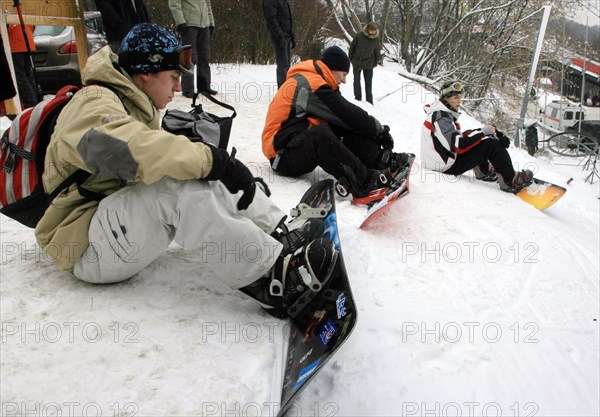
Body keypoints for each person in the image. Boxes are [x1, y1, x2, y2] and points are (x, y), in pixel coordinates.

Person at [35, 23, 330, 318]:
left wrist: (215, 166)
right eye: (173, 77)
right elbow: (132, 151)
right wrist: (213, 160)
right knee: (177, 184)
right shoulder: (92, 103)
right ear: (145, 73)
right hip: (84, 244)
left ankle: (279, 231)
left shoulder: (128, 101)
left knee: (195, 170)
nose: (178, 88)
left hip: (111, 227)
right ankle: (275, 282)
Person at [261, 45, 409, 199]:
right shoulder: (309, 84)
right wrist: (379, 130)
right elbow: (346, 112)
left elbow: (345, 119)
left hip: (297, 142)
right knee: (322, 134)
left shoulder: (316, 81)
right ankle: (364, 182)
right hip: (281, 156)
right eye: (343, 74)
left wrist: (376, 131)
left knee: (341, 125)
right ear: (332, 69)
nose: (344, 80)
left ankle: (380, 160)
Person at [421, 80, 533, 192]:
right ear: (445, 98)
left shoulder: (442, 114)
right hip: (444, 166)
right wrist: (483, 131)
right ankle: (510, 181)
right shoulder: (441, 117)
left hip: (442, 161)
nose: (459, 101)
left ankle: (483, 170)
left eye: (460, 97)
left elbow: (457, 139)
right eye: (455, 98)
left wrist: (487, 130)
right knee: (491, 144)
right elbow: (457, 145)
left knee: (479, 139)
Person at [168, 0, 217, 97]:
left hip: (204, 25)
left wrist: (211, 22)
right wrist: (180, 21)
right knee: (189, 57)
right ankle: (188, 89)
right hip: (189, 24)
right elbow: (174, 4)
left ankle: (204, 86)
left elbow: (208, 4)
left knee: (204, 56)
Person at [263, 0, 295, 89]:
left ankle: (286, 88)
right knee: (283, 66)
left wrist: (292, 36)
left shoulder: (284, 2)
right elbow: (271, 19)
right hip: (280, 37)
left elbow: (287, 19)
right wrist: (279, 35)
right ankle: (283, 90)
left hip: (286, 36)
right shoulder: (270, 2)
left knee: (287, 65)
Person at [348, 22, 381, 105]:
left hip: (369, 63)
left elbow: (377, 52)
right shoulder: (359, 35)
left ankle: (369, 101)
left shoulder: (376, 39)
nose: (373, 32)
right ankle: (358, 99)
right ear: (368, 29)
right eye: (371, 30)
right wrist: (351, 59)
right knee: (356, 81)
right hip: (357, 61)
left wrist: (375, 63)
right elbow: (352, 47)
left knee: (368, 83)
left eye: (374, 31)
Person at [7, 23, 38, 108]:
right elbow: (33, 26)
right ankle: (34, 101)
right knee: (28, 75)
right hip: (27, 42)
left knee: (20, 76)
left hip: (15, 43)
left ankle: (31, 103)